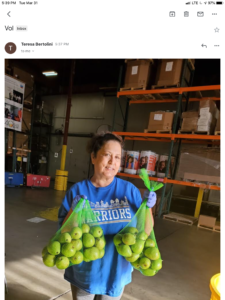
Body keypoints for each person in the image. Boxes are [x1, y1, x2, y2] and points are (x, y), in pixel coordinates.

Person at [58, 132, 157, 300]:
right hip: (85, 271)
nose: (113, 162)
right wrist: (72, 212)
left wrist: (147, 208)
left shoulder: (129, 191)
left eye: (118, 157)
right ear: (93, 157)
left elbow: (145, 231)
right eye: (107, 155)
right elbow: (64, 233)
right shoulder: (78, 191)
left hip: (116, 272)